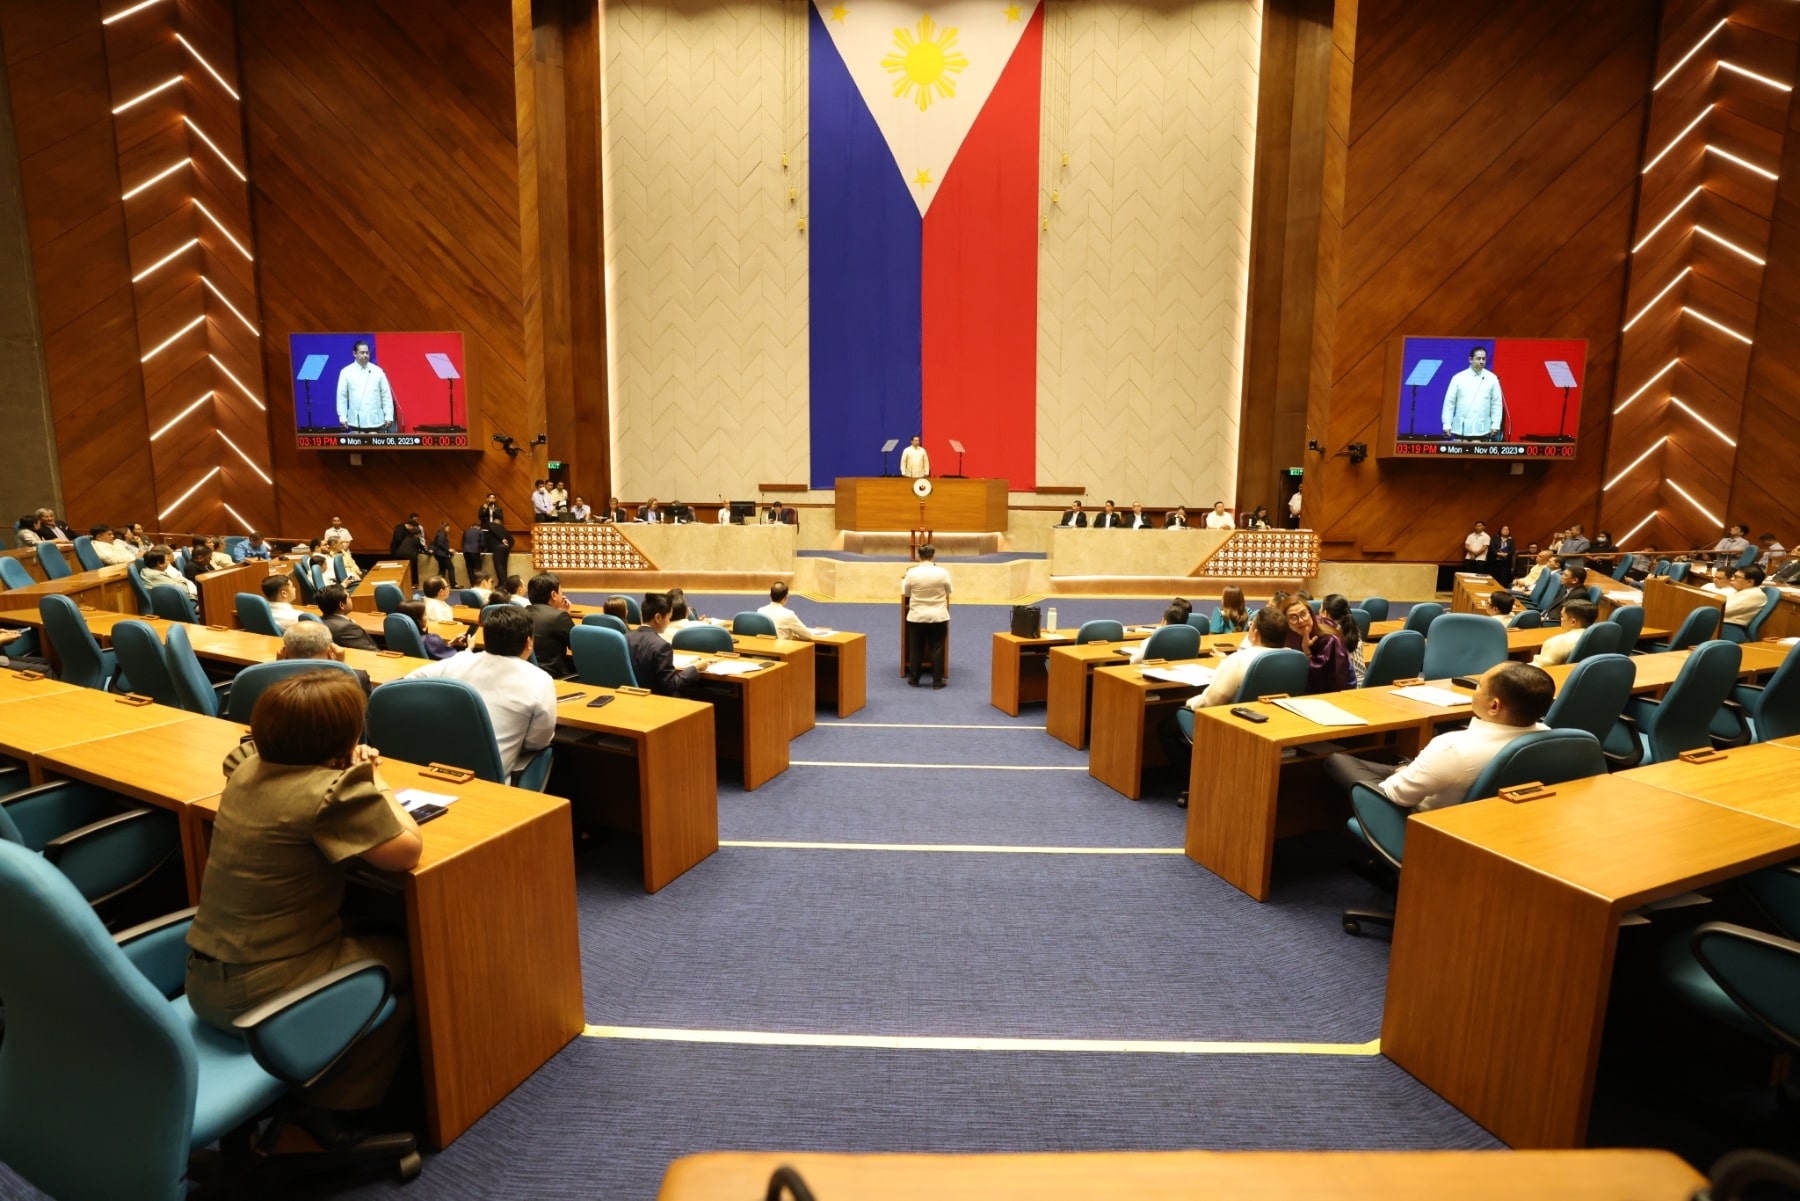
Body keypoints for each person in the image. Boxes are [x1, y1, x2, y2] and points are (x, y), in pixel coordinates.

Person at [185, 670, 421, 1125]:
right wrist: (370, 776)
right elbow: (407, 849)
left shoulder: (245, 766)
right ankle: (335, 1111)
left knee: (364, 926)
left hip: (203, 983)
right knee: (422, 957)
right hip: (262, 998)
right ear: (345, 737)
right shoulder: (329, 794)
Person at [1326, 662, 1555, 811]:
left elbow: (1396, 795)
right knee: (1397, 763)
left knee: (1337, 760)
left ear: (1494, 705)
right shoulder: (1550, 738)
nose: (1474, 691)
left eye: (1478, 687)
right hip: (1496, 818)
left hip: (1425, 823)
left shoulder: (1452, 748)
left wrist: (1402, 777)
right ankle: (1406, 769)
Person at [405, 606, 558, 776]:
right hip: (489, 782)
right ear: (529, 642)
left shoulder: (458, 661)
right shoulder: (540, 680)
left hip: (434, 769)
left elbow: (407, 682)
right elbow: (536, 743)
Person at [1160, 607, 1289, 806]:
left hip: (1234, 727)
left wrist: (1188, 703)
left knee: (1168, 726)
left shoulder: (1239, 659)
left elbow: (1210, 701)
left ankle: (1190, 786)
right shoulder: (1293, 656)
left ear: (1255, 633)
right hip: (1272, 725)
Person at [627, 592, 707, 696]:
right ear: (658, 618)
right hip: (660, 702)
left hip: (632, 698)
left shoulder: (625, 638)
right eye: (669, 618)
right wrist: (695, 669)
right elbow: (670, 685)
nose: (669, 622)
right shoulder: (661, 646)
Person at [901, 544, 952, 688]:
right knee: (937, 648)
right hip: (938, 616)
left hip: (917, 616)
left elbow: (907, 593)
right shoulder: (943, 572)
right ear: (933, 556)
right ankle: (937, 681)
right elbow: (949, 590)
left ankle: (914, 679)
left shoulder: (911, 573)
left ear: (919, 556)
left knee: (916, 648)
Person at [278, 622, 372, 693]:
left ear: (285, 651)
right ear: (329, 650)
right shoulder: (358, 678)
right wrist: (341, 665)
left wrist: (278, 666)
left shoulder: (270, 680)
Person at [1285, 596, 1351, 694]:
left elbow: (1322, 682)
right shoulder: (1289, 636)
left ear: (1311, 614)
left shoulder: (1330, 641)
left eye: (1303, 614)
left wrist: (1306, 651)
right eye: (1293, 617)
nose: (1301, 620)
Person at [1441, 345, 1504, 440]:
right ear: (1470, 359)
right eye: (1478, 358)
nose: (1481, 361)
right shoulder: (1458, 378)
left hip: (1483, 430)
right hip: (1460, 429)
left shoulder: (1492, 378)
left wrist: (1495, 424)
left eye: (1484, 359)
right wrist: (1447, 424)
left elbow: (1496, 403)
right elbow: (1449, 403)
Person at [334, 338, 396, 431]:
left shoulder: (378, 371)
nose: (365, 355)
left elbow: (386, 395)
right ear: (354, 354)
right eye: (362, 353)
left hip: (376, 420)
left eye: (367, 352)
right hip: (356, 421)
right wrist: (342, 417)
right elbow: (342, 397)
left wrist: (389, 415)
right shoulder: (346, 372)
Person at [524, 572, 576, 678]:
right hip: (552, 674)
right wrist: (564, 615)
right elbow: (577, 646)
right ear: (553, 595)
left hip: (526, 672)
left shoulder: (521, 612)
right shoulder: (559, 617)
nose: (562, 594)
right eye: (561, 590)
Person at [1530, 599, 1597, 668]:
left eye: (1562, 616)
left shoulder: (1558, 642)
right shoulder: (1599, 638)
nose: (1560, 619)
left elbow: (1538, 668)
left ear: (1573, 622)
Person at [317, 583, 377, 651]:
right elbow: (371, 651)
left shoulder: (318, 621)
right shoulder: (348, 629)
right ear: (341, 605)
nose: (351, 599)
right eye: (349, 597)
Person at [397, 600, 463, 660]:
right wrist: (470, 648)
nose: (427, 617)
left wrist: (450, 644)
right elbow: (453, 660)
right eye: (425, 614)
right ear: (417, 620)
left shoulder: (398, 638)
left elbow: (429, 651)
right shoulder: (429, 639)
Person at [1723, 565, 1770, 631]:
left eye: (1736, 577)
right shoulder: (1742, 591)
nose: (1731, 578)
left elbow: (1724, 610)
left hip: (1730, 627)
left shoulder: (1755, 595)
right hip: (1722, 623)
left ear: (1749, 582)